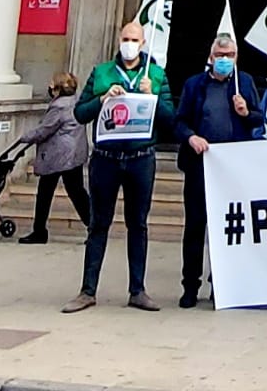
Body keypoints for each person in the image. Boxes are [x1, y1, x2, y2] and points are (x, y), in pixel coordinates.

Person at [65, 21, 174, 314]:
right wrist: (102, 99)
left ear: (143, 43)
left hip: (141, 158)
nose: (129, 44)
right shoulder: (101, 73)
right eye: (125, 38)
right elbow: (79, 113)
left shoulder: (156, 74)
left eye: (134, 39)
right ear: (119, 40)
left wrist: (152, 96)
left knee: (137, 224)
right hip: (105, 158)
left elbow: (170, 119)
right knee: (98, 223)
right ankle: (87, 290)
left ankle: (137, 290)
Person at [173, 33, 265, 309]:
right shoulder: (194, 85)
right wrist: (191, 137)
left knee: (227, 228)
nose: (224, 60)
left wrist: (246, 112)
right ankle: (190, 286)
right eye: (220, 56)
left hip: (232, 169)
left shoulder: (245, 83)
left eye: (230, 56)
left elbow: (259, 120)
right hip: (200, 166)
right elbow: (179, 121)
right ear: (211, 57)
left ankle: (221, 284)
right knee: (195, 226)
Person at [18, 71, 90, 245]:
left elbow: (45, 129)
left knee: (45, 193)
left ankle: (39, 231)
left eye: (52, 83)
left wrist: (24, 137)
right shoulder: (77, 101)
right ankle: (94, 225)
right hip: (74, 153)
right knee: (77, 191)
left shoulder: (59, 106)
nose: (49, 86)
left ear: (57, 88)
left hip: (58, 155)